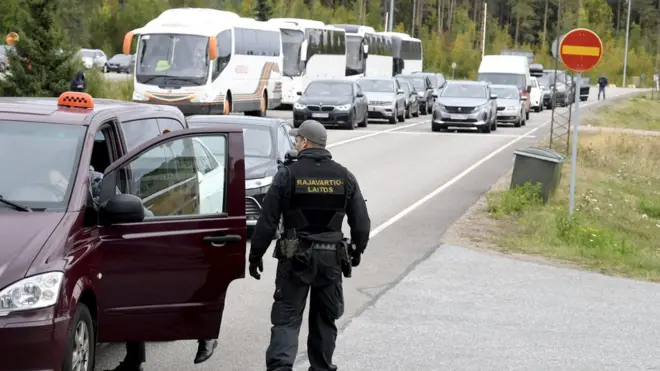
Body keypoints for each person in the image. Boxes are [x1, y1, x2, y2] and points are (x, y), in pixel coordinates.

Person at [248, 119, 371, 371]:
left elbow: (267, 221)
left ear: (304, 142)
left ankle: (281, 368)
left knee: (287, 320)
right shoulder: (344, 176)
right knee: (325, 321)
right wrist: (358, 249)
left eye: (297, 140)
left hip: (295, 258)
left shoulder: (287, 175)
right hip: (330, 262)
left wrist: (255, 255)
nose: (295, 143)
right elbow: (361, 223)